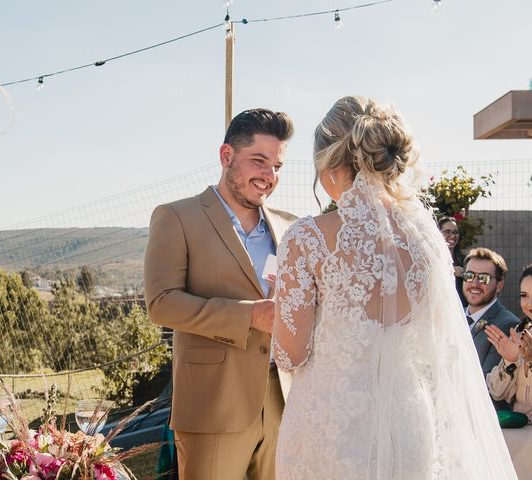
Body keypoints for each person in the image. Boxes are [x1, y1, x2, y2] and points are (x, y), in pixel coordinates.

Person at [273, 95, 516, 479]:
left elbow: (290, 354)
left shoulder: (308, 238)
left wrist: (282, 306)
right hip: (408, 427)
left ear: (332, 162)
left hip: (330, 427)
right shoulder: (426, 241)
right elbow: (438, 346)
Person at [144, 108, 296, 479]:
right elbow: (162, 303)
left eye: (276, 166)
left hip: (284, 403)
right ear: (226, 156)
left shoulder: (291, 227)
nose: (269, 176)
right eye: (258, 161)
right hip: (212, 405)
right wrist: (248, 316)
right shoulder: (176, 218)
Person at [486, 264, 532, 478]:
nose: (529, 304)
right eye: (524, 295)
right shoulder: (521, 333)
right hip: (515, 430)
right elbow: (496, 392)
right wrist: (510, 361)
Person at [462, 248, 519, 380]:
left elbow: (486, 383)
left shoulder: (507, 324)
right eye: (469, 275)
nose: (475, 283)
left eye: (484, 278)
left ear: (499, 285)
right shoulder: (452, 316)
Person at [437, 216, 467, 306]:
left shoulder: (465, 260)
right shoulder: (432, 260)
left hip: (462, 306)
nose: (453, 236)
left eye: (455, 232)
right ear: (438, 233)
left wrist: (464, 274)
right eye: (447, 232)